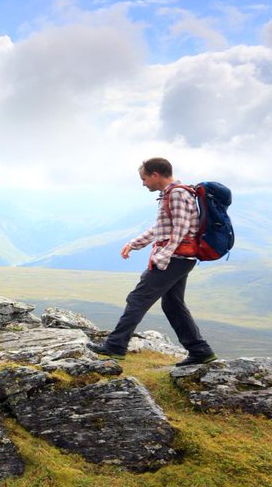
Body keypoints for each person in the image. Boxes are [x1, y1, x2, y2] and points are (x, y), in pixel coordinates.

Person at [87, 157, 216, 367]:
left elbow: (181, 229)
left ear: (155, 175)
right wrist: (135, 244)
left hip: (175, 258)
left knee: (137, 298)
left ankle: (115, 346)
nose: (143, 183)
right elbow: (160, 228)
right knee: (173, 304)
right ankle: (200, 350)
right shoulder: (170, 195)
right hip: (178, 258)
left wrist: (163, 256)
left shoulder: (177, 194)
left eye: (144, 178)